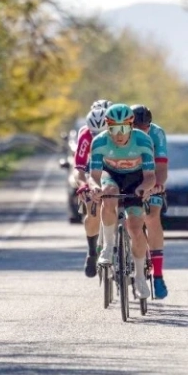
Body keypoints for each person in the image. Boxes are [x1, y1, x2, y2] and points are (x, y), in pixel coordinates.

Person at [87, 103, 157, 299]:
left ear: (131, 125)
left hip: (136, 179)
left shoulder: (143, 140)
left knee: (135, 228)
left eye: (124, 128)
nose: (119, 134)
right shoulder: (100, 142)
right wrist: (94, 187)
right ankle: (108, 248)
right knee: (108, 194)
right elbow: (94, 175)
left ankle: (140, 276)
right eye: (113, 128)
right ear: (107, 127)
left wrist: (144, 188)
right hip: (112, 176)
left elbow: (150, 176)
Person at [131, 104, 170, 299]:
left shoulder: (157, 134)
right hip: (128, 177)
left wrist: (158, 186)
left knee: (152, 215)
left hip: (151, 177)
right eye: (135, 127)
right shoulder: (120, 134)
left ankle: (158, 275)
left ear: (149, 125)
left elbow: (161, 167)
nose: (139, 131)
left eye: (143, 127)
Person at [74, 100, 111, 277]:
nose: (97, 137)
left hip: (114, 168)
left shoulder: (121, 133)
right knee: (92, 212)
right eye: (94, 133)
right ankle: (92, 251)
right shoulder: (85, 135)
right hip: (92, 170)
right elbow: (79, 169)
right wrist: (82, 185)